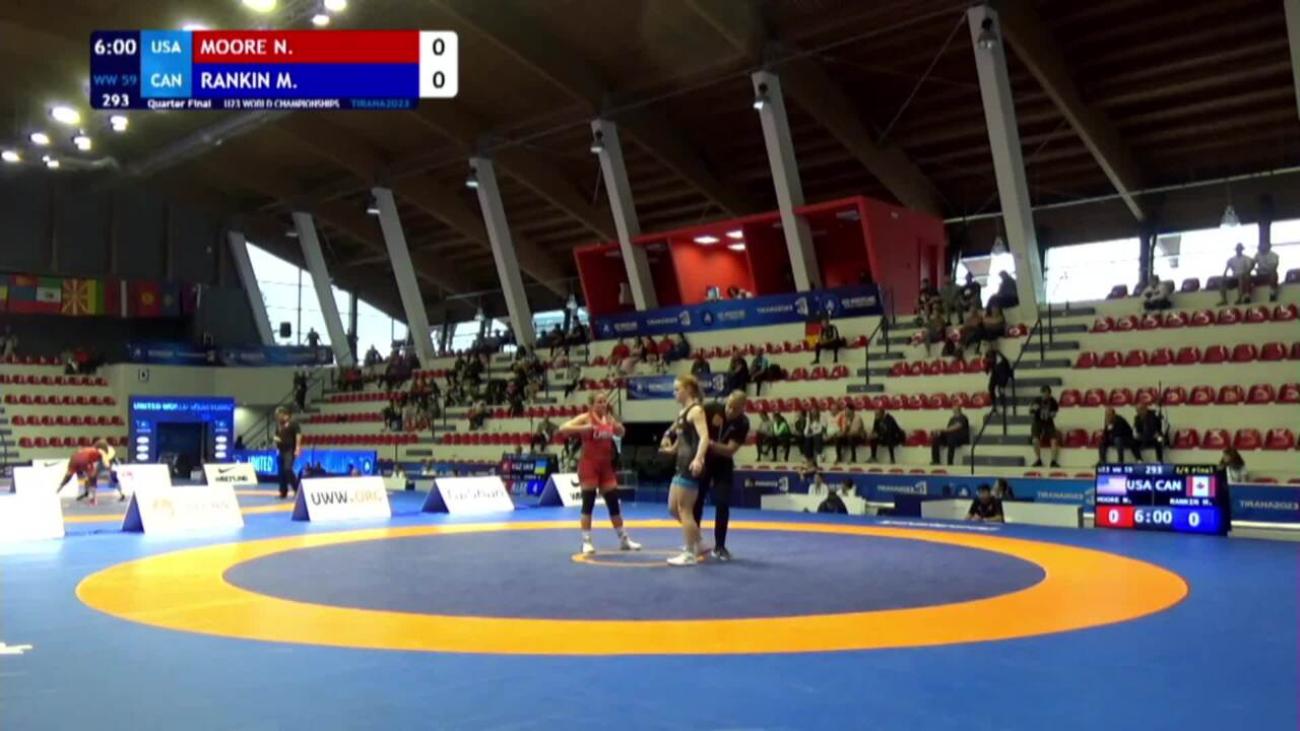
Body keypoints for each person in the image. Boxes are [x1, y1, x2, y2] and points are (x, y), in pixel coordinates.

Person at [558, 393, 641, 555]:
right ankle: (586, 542)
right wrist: (583, 429)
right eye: (599, 402)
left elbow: (621, 432)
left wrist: (617, 427)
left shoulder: (608, 419)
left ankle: (624, 540)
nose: (603, 404)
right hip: (589, 466)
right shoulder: (585, 418)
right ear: (592, 405)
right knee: (588, 504)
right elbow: (563, 428)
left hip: (606, 467)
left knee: (613, 504)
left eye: (604, 401)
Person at [659, 375, 710, 566]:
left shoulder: (696, 410)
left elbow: (704, 437)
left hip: (690, 465)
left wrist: (698, 459)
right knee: (673, 508)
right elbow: (682, 439)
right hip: (680, 464)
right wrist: (671, 449)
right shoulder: (683, 412)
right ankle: (699, 542)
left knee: (685, 510)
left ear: (688, 389)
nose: (674, 393)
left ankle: (689, 553)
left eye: (677, 389)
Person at [692, 390, 750, 561]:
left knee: (723, 502)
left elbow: (730, 450)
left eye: (735, 409)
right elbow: (692, 419)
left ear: (742, 408)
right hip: (704, 460)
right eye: (729, 406)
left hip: (723, 464)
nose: (730, 411)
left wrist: (707, 442)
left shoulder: (743, 423)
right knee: (697, 501)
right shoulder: (712, 408)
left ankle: (720, 546)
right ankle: (694, 541)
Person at [59, 440, 120, 505]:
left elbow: (79, 453)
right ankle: (92, 498)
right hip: (86, 461)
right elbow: (106, 463)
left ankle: (60, 488)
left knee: (71, 475)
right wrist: (110, 469)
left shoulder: (89, 449)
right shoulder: (100, 451)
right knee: (92, 477)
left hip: (76, 458)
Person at [272, 407, 302, 499]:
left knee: (288, 469)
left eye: (278, 415)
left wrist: (297, 448)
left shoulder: (293, 422)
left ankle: (298, 490)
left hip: (289, 450)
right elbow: (276, 435)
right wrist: (275, 439)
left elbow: (298, 435)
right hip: (280, 450)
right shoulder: (279, 424)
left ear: (283, 414)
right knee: (281, 472)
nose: (277, 417)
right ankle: (283, 491)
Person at [1030, 386, 1061, 468]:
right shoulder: (1037, 400)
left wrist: (1052, 414)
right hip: (1037, 421)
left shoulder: (1053, 401)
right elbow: (1031, 412)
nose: (1044, 396)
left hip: (1048, 422)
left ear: (1049, 394)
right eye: (1043, 394)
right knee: (1035, 440)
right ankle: (1038, 460)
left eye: (1046, 394)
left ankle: (1053, 461)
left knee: (1054, 440)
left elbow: (1054, 413)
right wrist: (1033, 409)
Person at [985, 343, 1013, 414]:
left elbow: (1006, 370)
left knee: (1000, 388)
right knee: (990, 387)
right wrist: (987, 369)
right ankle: (994, 405)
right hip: (995, 371)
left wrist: (1002, 382)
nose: (990, 360)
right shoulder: (989, 355)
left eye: (991, 358)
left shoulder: (1001, 360)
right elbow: (988, 364)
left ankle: (1003, 404)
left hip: (1003, 372)